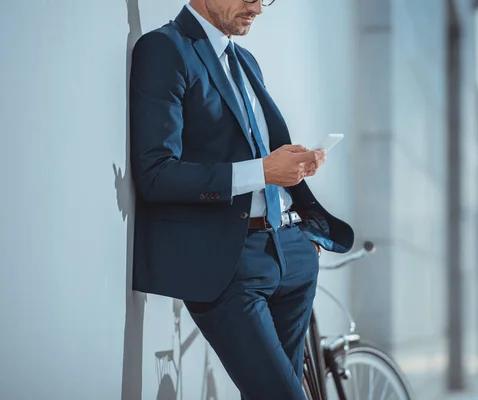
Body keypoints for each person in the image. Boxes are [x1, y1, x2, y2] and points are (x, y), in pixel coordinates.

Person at [129, 0, 354, 398]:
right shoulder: (165, 49)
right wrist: (264, 171)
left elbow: (253, 151)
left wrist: (291, 172)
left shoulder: (245, 60)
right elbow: (156, 174)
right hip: (229, 268)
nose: (258, 8)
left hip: (291, 253)